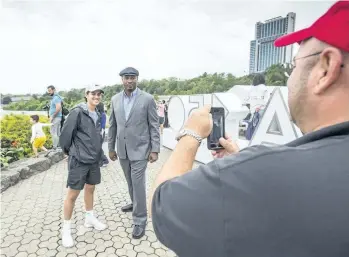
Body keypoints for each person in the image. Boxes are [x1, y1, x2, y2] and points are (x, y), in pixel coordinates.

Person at [150, 1, 349, 257]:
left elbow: (162, 206)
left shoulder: (258, 174)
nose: (290, 77)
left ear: (326, 68)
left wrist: (191, 134)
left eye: (295, 64)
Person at [108, 67, 160, 239]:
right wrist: (110, 148)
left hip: (141, 149)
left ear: (137, 79)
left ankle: (140, 219)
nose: (129, 80)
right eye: (126, 78)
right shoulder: (115, 99)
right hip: (122, 150)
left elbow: (154, 125)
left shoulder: (147, 99)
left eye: (132, 77)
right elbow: (113, 125)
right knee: (130, 182)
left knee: (138, 184)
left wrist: (155, 149)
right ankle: (135, 203)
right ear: (121, 80)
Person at [59, 85, 107, 248]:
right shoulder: (77, 112)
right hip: (79, 160)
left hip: (93, 160)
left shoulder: (98, 113)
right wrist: (71, 152)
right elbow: (65, 135)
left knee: (91, 188)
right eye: (93, 93)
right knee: (72, 194)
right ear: (86, 95)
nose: (96, 96)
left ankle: (89, 218)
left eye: (99, 94)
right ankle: (66, 230)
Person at [47, 85, 63, 150]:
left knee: (53, 132)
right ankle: (59, 146)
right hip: (58, 117)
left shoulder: (56, 98)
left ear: (53, 90)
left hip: (55, 118)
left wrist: (52, 116)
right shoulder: (57, 97)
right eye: (48, 91)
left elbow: (58, 107)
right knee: (57, 132)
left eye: (50, 91)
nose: (49, 92)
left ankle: (55, 147)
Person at [96, 101, 109, 167]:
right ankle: (101, 161)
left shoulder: (102, 114)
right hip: (99, 133)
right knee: (98, 148)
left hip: (100, 133)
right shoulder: (99, 114)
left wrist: (100, 134)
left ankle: (105, 160)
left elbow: (103, 126)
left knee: (98, 148)